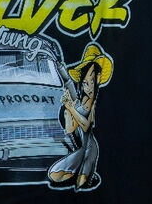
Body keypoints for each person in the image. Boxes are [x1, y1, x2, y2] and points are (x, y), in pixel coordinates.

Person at [48, 43, 113, 191]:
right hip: (79, 148)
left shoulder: (93, 103)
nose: (87, 87)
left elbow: (86, 125)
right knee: (54, 174)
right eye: (84, 83)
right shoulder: (79, 100)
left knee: (82, 183)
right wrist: (68, 109)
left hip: (90, 148)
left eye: (90, 82)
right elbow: (70, 129)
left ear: (98, 79)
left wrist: (71, 108)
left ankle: (85, 176)